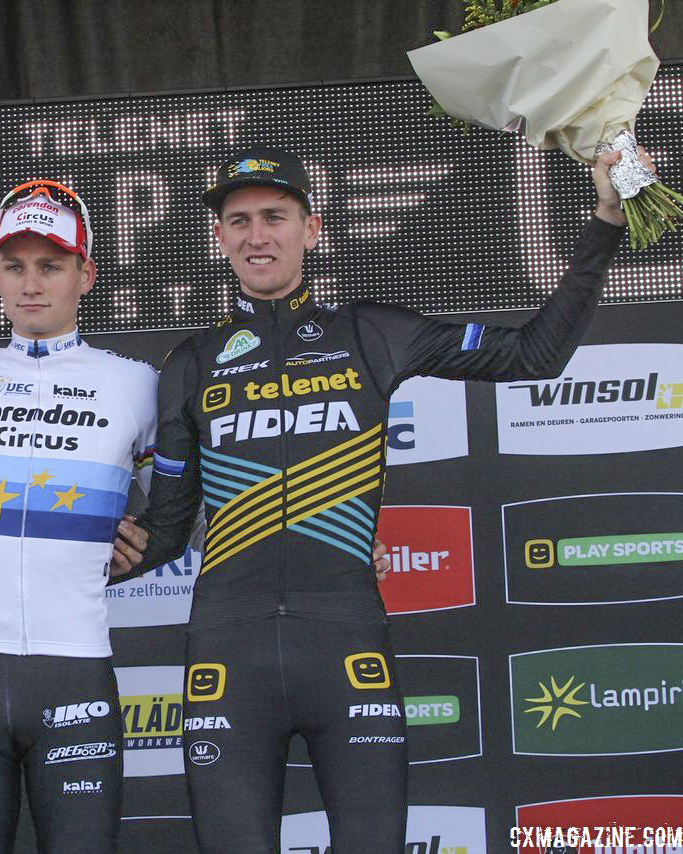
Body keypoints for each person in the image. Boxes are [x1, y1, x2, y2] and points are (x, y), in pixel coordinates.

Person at [116, 144, 648, 853]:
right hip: (227, 655)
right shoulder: (190, 364)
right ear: (219, 239)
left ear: (313, 229)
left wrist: (607, 219)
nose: (256, 234)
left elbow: (533, 356)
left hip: (345, 643)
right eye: (238, 221)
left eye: (275, 215)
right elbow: (169, 533)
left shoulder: (370, 333)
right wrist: (58, 551)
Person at [0, 180, 158, 854]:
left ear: (86, 274)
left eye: (50, 265)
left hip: (75, 664)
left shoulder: (135, 382)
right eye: (15, 265)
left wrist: (150, 542)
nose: (31, 284)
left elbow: (194, 501)